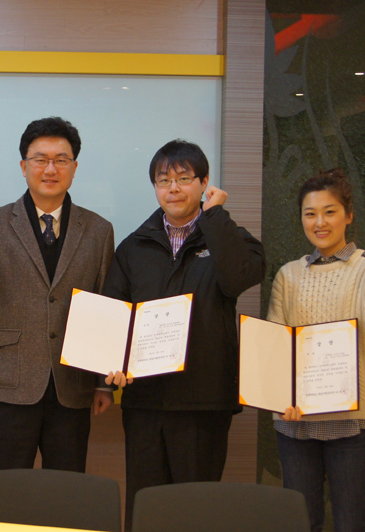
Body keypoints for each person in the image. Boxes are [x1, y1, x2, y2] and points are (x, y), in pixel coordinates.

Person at [103, 139, 265, 529]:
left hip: (203, 402)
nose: (172, 188)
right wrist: (111, 367)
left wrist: (215, 217)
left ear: (204, 183)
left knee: (196, 511)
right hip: (144, 402)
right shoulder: (134, 246)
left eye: (184, 178)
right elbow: (113, 313)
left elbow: (239, 278)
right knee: (145, 508)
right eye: (163, 180)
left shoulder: (226, 236)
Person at [0, 116, 115, 472]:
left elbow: (105, 307)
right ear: (24, 167)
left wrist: (103, 384)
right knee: (4, 490)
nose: (50, 169)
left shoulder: (98, 229)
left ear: (74, 167)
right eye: (40, 159)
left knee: (66, 490)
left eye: (61, 160)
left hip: (72, 385)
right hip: (9, 382)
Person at [268, 169, 365, 532]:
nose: (319, 222)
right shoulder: (288, 275)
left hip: (353, 422)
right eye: (310, 213)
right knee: (300, 523)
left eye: (329, 212)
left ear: (348, 215)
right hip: (296, 422)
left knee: (350, 522)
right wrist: (279, 397)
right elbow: (275, 346)